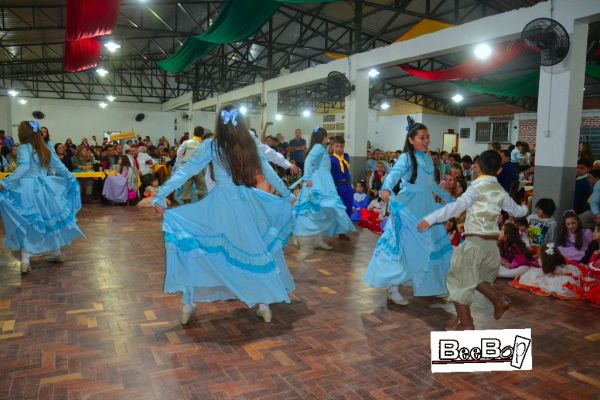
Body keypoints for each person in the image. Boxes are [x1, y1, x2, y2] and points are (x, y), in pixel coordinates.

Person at [152, 106, 296, 325]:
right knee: (256, 249)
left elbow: (186, 171)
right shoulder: (249, 145)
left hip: (220, 205)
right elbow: (270, 173)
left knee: (200, 251)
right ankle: (264, 305)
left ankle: (188, 303)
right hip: (248, 204)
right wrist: (287, 195)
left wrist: (161, 194)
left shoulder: (213, 145)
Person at [418, 150, 528, 330]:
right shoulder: (500, 191)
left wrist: (430, 218)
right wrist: (524, 207)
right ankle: (498, 299)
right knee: (475, 278)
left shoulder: (475, 188)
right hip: (492, 247)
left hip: (474, 243)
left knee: (457, 281)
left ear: (476, 167)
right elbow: (517, 211)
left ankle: (466, 323)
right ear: (499, 170)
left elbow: (455, 207)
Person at [364, 122, 455, 306]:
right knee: (404, 246)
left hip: (427, 206)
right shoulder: (406, 157)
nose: (426, 140)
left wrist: (450, 199)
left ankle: (432, 286)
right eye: (422, 137)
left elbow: (432, 185)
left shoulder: (429, 159)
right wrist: (387, 188)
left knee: (432, 246)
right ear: (411, 140)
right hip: (409, 207)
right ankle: (393, 288)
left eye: (427, 137)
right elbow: (393, 175)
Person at [0, 121, 83, 273]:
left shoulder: (23, 148)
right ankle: (56, 252)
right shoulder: (46, 147)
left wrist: (5, 182)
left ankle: (26, 260)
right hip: (46, 188)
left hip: (27, 188)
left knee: (28, 223)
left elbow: (24, 167)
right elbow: (58, 165)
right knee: (49, 219)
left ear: (23, 134)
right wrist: (71, 177)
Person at [293, 127, 355, 257]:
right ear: (322, 137)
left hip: (323, 179)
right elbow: (309, 161)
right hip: (320, 181)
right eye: (326, 136)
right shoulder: (318, 147)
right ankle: (304, 237)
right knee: (319, 209)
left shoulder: (320, 148)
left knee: (319, 210)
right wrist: (308, 177)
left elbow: (314, 162)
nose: (328, 139)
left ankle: (316, 239)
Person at [510, 243, 582, 299]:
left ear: (542, 259)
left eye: (539, 257)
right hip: (553, 273)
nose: (538, 258)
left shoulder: (535, 274)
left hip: (549, 275)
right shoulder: (567, 269)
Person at [175, 126, 207, 203]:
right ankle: (202, 208)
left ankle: (187, 208)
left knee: (186, 189)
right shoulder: (204, 144)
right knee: (201, 189)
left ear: (193, 133)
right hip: (198, 168)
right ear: (202, 135)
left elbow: (179, 153)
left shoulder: (186, 142)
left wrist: (181, 163)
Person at [330, 136, 353, 241]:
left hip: (348, 186)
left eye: (341, 146)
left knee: (348, 208)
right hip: (337, 186)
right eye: (337, 146)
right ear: (333, 147)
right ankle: (340, 231)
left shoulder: (346, 156)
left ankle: (343, 230)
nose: (339, 148)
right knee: (340, 209)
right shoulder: (330, 158)